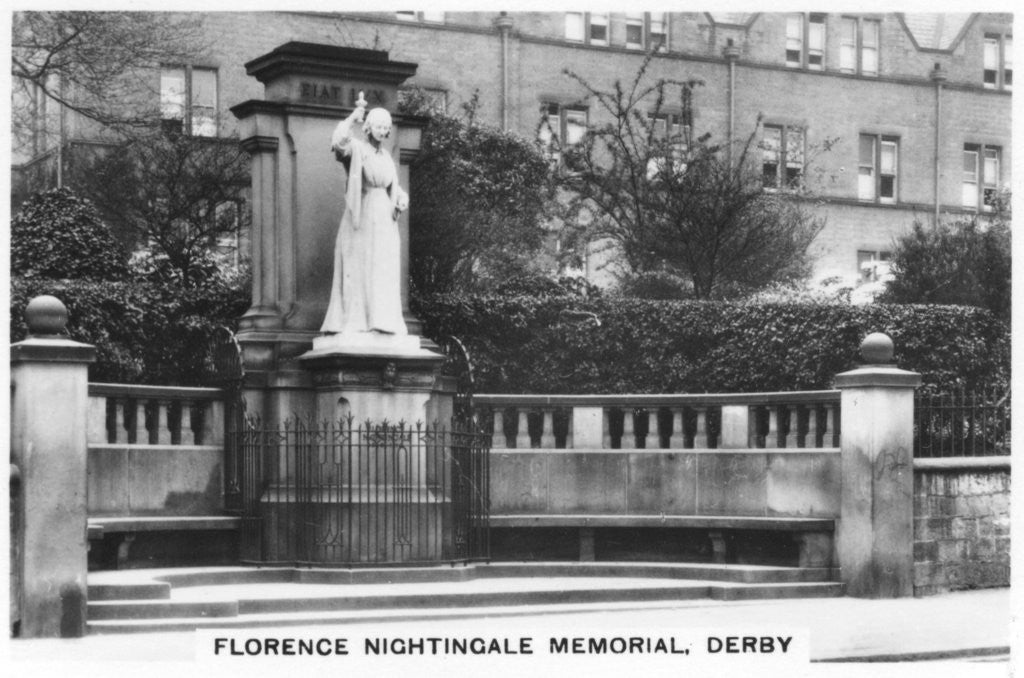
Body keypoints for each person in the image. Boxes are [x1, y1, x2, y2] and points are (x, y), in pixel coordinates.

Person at [320, 93, 409, 336]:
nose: (382, 131)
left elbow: (393, 186)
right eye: (378, 126)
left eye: (386, 127)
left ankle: (382, 321)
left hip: (385, 220)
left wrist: (401, 198)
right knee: (361, 266)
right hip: (363, 216)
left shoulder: (387, 158)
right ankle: (359, 322)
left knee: (382, 268)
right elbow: (338, 143)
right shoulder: (357, 150)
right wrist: (353, 118)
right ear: (368, 128)